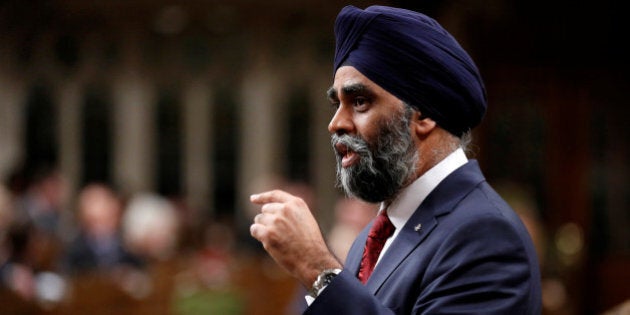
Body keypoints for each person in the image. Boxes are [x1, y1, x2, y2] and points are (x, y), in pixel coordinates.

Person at [249, 5, 542, 314]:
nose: (335, 123)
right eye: (337, 104)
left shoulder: (486, 234)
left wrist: (319, 270)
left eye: (359, 102)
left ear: (424, 113)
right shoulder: (373, 237)